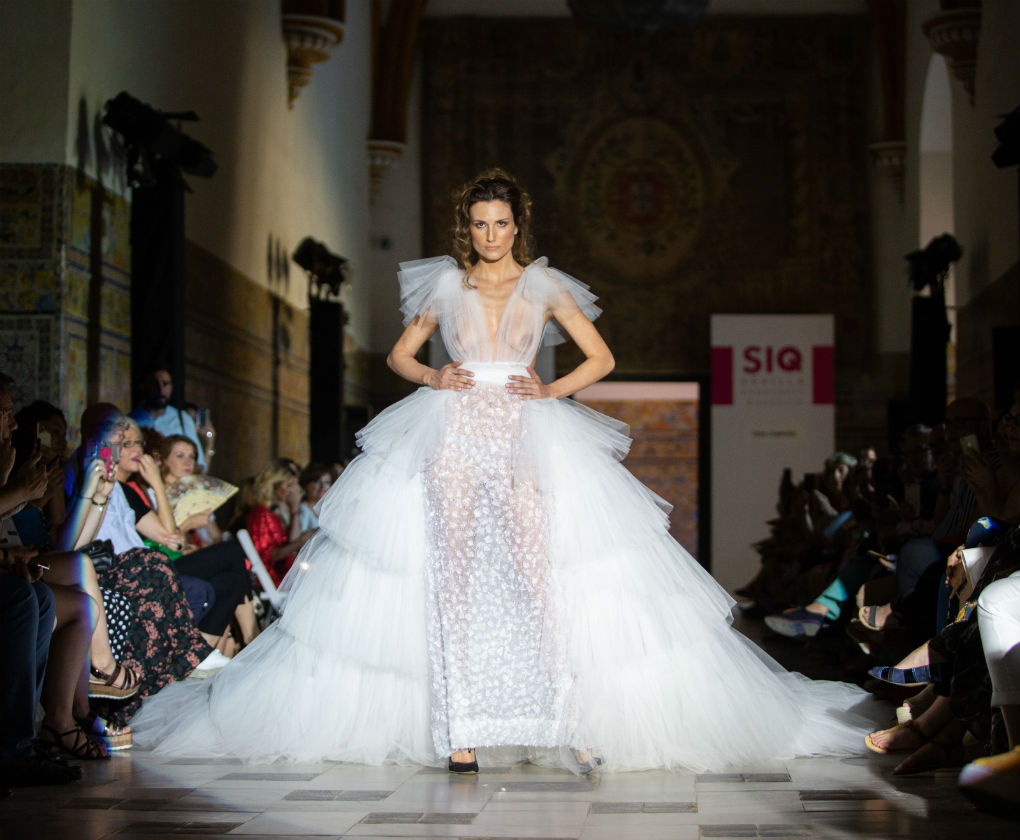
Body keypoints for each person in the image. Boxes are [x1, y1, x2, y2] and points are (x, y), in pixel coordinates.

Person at [133, 169, 884, 773]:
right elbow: (399, 354)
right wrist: (436, 376)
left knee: (537, 576)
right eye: (479, 224)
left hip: (527, 430)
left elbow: (602, 357)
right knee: (454, 577)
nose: (490, 235)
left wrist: (550, 391)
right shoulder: (447, 285)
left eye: (500, 223)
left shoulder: (544, 286)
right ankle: (460, 731)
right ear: (467, 228)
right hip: (455, 430)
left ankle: (568, 723)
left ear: (517, 225)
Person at [129, 369, 206, 470]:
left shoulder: (182, 419)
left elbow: (199, 464)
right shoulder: (131, 420)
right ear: (144, 386)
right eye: (155, 384)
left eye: (165, 384)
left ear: (172, 387)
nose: (161, 389)